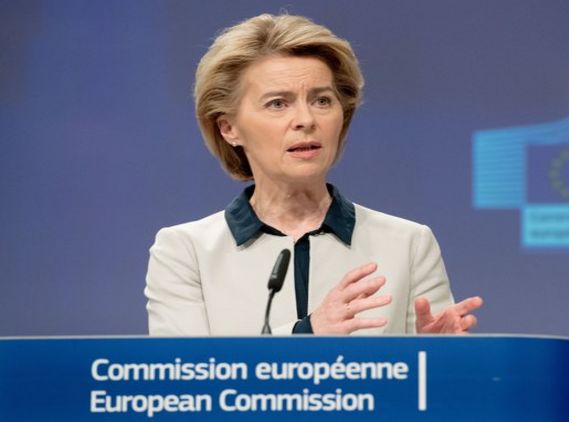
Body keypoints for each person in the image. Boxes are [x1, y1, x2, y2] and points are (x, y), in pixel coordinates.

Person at [145, 14, 483, 335]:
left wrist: (439, 357)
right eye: (278, 103)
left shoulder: (408, 244)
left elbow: (433, 373)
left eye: (322, 101)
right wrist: (307, 334)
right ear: (228, 127)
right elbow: (186, 373)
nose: (306, 120)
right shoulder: (185, 252)